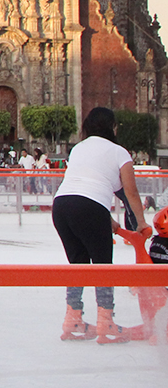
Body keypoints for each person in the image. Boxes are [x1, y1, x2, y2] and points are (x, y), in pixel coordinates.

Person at [52, 106, 148, 343]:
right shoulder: (119, 152)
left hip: (61, 206)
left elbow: (84, 186)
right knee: (104, 266)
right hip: (90, 207)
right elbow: (131, 192)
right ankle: (106, 323)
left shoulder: (78, 149)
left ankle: (72, 318)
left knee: (78, 265)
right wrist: (142, 223)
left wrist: (109, 220)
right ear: (112, 127)